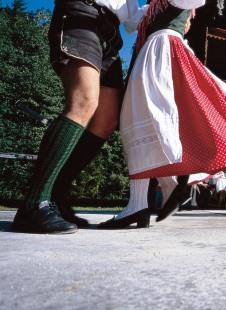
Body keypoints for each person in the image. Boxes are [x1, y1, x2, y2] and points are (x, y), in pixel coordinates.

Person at [98, 0, 226, 229]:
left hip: (164, 51)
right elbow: (130, 20)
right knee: (138, 119)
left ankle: (155, 194)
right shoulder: (152, 8)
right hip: (151, 52)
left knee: (152, 117)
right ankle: (145, 199)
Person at [12, 0, 146, 234]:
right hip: (82, 11)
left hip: (111, 32)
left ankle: (56, 196)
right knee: (84, 101)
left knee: (107, 120)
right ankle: (33, 204)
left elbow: (132, 20)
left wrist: (165, 7)